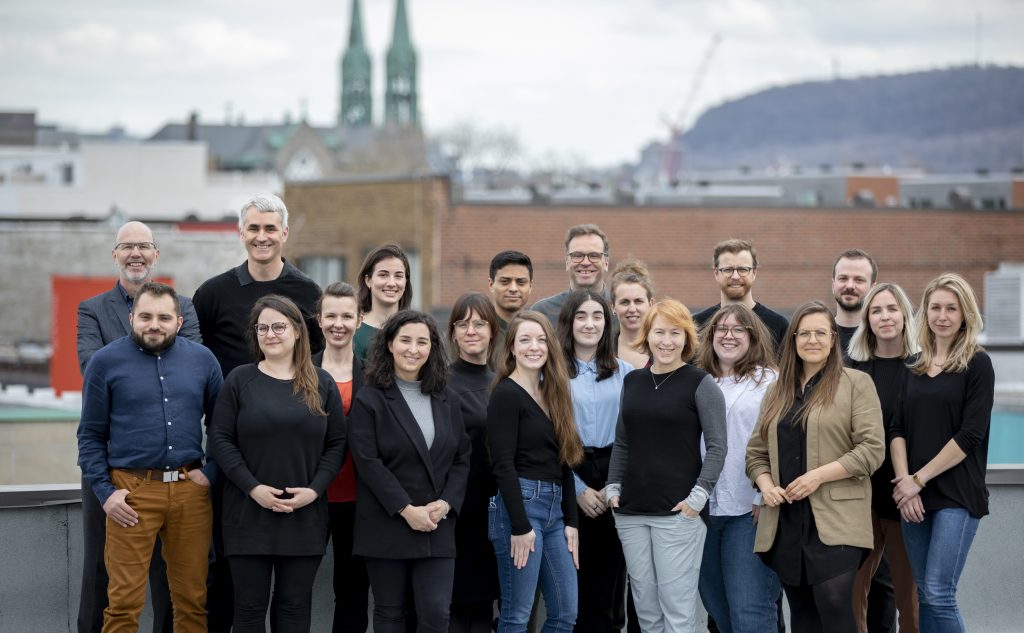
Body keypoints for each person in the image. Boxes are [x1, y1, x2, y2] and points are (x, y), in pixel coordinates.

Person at [192, 192, 323, 630]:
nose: (262, 237)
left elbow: (318, 367)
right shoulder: (212, 294)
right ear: (240, 234)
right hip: (231, 455)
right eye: (253, 228)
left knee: (291, 605)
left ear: (284, 234)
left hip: (293, 450)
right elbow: (195, 366)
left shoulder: (308, 294)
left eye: (270, 228)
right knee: (226, 582)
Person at [76, 221, 200, 633]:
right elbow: (91, 368)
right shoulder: (93, 311)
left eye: (144, 246)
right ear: (115, 255)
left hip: (181, 476)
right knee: (106, 576)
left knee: (184, 590)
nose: (135, 253)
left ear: (155, 254)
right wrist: (135, 358)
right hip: (118, 469)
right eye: (126, 246)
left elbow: (193, 369)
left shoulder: (184, 306)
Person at [209, 295, 346, 632]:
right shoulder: (240, 381)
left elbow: (337, 444)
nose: (270, 334)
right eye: (263, 328)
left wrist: (314, 492)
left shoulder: (321, 382)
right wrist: (253, 488)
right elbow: (220, 440)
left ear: (298, 331)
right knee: (249, 609)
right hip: (246, 515)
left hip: (305, 517)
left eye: (279, 326)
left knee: (294, 609)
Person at [745, 301, 884, 633]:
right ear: (792, 340)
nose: (812, 339)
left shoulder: (855, 384)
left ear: (834, 338)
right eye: (803, 333)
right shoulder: (776, 392)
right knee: (804, 617)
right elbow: (756, 452)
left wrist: (817, 476)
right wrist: (766, 486)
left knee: (835, 606)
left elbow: (872, 449)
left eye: (820, 332)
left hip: (837, 521)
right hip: (787, 521)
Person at [606, 298, 728, 633]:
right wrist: (613, 486)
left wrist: (697, 498)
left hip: (678, 514)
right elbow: (623, 440)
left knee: (677, 613)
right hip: (630, 512)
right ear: (647, 335)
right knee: (646, 612)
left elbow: (718, 447)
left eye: (675, 333)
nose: (666, 340)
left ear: (687, 339)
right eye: (659, 332)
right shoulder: (633, 382)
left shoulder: (701, 384)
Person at [348, 310, 471, 633]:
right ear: (389, 344)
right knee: (390, 616)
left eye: (422, 342)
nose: (413, 349)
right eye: (405, 340)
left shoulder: (447, 397)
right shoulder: (369, 398)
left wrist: (445, 504)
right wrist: (405, 509)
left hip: (436, 522)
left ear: (432, 348)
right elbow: (368, 462)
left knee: (435, 615)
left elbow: (462, 457)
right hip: (387, 522)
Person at [890, 273, 994, 633]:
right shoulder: (913, 365)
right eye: (935, 307)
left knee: (938, 592)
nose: (943, 315)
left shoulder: (977, 365)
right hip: (913, 496)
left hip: (957, 495)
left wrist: (918, 480)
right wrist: (905, 483)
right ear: (925, 312)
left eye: (952, 308)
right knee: (925, 592)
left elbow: (970, 435)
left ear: (965, 314)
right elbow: (897, 428)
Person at [487, 310, 583, 632]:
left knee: (565, 613)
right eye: (525, 339)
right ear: (511, 347)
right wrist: (519, 525)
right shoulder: (505, 394)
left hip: (556, 513)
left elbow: (566, 460)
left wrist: (571, 520)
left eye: (542, 339)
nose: (534, 347)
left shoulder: (553, 392)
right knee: (517, 614)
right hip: (521, 508)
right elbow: (502, 464)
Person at [694, 304, 781, 633]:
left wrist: (764, 491)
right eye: (721, 329)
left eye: (738, 329)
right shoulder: (696, 380)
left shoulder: (770, 382)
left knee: (750, 612)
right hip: (701, 513)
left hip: (749, 511)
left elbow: (781, 443)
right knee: (720, 612)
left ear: (753, 336)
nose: (728, 336)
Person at [555, 290, 634, 632]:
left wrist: (613, 485)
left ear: (608, 322)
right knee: (571, 589)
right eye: (581, 316)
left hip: (616, 476)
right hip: (567, 472)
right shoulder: (551, 374)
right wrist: (576, 488)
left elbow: (636, 437)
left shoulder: (628, 374)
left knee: (608, 588)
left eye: (597, 316)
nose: (590, 324)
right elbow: (543, 439)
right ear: (569, 322)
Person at [846, 283, 921, 633]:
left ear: (905, 314)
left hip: (906, 495)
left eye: (892, 309)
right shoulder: (852, 368)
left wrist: (915, 485)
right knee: (850, 590)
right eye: (876, 310)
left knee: (910, 597)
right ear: (866, 319)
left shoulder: (923, 367)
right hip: (860, 497)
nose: (885, 316)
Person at [313, 282, 370, 633]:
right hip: (310, 496)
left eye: (347, 316)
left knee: (351, 589)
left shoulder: (375, 376)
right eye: (331, 315)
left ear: (359, 320)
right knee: (295, 587)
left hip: (358, 498)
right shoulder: (298, 372)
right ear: (318, 320)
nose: (339, 323)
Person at [446, 293, 501, 633]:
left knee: (483, 608)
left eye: (480, 323)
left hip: (493, 512)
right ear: (452, 333)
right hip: (455, 511)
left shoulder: (503, 382)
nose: (471, 330)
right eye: (463, 323)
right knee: (451, 610)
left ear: (493, 331)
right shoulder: (440, 382)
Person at [692, 239, 788, 350]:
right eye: (728, 269)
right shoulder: (697, 325)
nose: (735, 276)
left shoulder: (778, 325)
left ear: (754, 273)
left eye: (743, 269)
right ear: (716, 273)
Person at [531, 224, 611, 325]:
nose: (585, 262)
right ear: (567, 262)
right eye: (577, 255)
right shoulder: (542, 312)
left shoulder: (623, 311)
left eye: (594, 255)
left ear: (606, 263)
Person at [353, 243, 413, 360]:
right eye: (383, 275)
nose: (391, 283)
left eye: (398, 276)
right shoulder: (354, 331)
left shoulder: (417, 329)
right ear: (368, 280)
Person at [609, 258, 654, 369]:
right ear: (613, 307)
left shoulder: (666, 349)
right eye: (625, 302)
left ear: (651, 304)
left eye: (638, 301)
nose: (632, 308)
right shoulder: (602, 352)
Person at [831, 249, 878, 350]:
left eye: (859, 280)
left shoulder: (883, 340)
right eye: (843, 278)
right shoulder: (817, 336)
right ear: (833, 285)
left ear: (873, 288)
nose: (850, 286)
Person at [489, 250, 535, 342]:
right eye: (505, 282)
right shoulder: (476, 334)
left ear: (530, 286)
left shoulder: (540, 332)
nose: (513, 289)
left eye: (521, 282)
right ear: (491, 285)